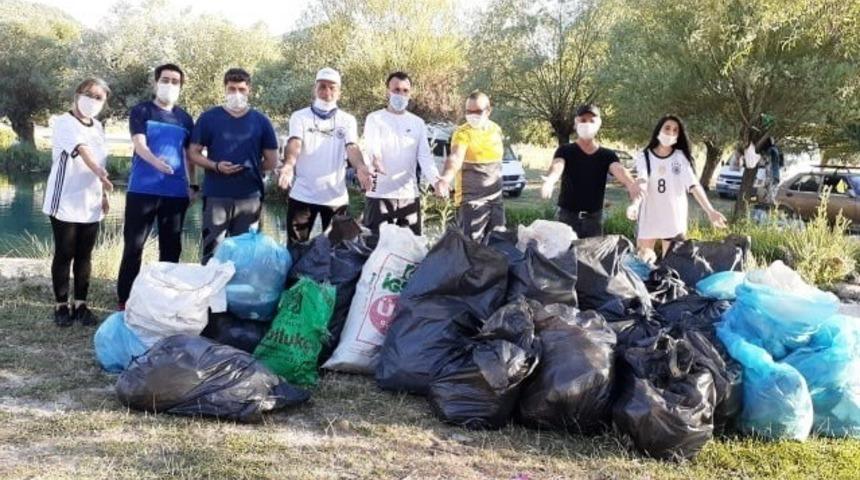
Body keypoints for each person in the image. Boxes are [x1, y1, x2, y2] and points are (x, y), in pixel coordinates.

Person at [116, 63, 196, 309]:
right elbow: (140, 145)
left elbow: (187, 154)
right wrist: (156, 163)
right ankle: (125, 299)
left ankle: (164, 299)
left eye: (175, 81)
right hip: (143, 189)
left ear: (180, 86)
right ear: (155, 82)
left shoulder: (185, 118)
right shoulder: (142, 111)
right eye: (165, 80)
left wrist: (192, 184)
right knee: (134, 246)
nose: (169, 85)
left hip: (175, 194)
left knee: (171, 247)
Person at [42, 77, 113, 327]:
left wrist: (103, 193)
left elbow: (101, 160)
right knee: (65, 252)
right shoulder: (64, 122)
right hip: (65, 199)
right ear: (77, 94)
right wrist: (101, 174)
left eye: (99, 97)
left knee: (85, 254)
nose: (93, 101)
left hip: (90, 200)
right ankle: (61, 305)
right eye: (88, 94)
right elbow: (84, 152)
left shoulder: (98, 126)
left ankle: (81, 304)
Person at [189, 68, 278, 263]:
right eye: (231, 89)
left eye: (241, 89)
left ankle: (239, 294)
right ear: (224, 89)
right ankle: (211, 292)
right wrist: (216, 165)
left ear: (249, 91)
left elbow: (272, 161)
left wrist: (251, 167)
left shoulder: (261, 121)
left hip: (250, 197)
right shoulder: (209, 118)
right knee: (213, 251)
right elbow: (193, 153)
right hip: (216, 195)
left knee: (246, 253)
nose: (236, 94)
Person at [279, 67, 371, 244]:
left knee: (337, 252)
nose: (326, 91)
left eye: (332, 87)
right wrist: (289, 165)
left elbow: (351, 147)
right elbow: (295, 143)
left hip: (335, 199)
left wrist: (360, 166)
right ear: (315, 89)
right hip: (302, 196)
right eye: (322, 86)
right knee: (296, 249)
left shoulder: (347, 120)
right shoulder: (299, 117)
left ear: (339, 92)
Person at [629, 115, 727, 255]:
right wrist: (635, 204)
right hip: (649, 217)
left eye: (675, 130)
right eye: (667, 128)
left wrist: (710, 211)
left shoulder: (680, 158)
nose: (671, 133)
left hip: (673, 220)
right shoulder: (644, 156)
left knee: (673, 265)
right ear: (659, 130)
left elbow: (693, 186)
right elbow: (642, 181)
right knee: (641, 263)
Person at [540, 104, 642, 238]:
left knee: (592, 257)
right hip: (567, 217)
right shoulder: (565, 150)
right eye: (583, 120)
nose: (587, 124)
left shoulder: (607, 155)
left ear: (598, 125)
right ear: (576, 123)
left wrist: (631, 185)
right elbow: (558, 165)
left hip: (594, 220)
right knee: (565, 257)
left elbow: (619, 170)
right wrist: (550, 181)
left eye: (591, 121)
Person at [361, 71, 439, 235]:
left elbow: (424, 156)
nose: (401, 94)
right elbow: (371, 146)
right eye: (396, 90)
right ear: (388, 91)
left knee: (410, 251)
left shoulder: (418, 123)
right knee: (375, 248)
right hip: (378, 195)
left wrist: (436, 181)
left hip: (409, 196)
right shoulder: (375, 119)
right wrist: (375, 159)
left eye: (405, 91)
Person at [435, 91, 505, 243]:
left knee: (499, 243)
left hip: (496, 200)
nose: (473, 115)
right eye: (468, 111)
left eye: (478, 111)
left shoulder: (496, 130)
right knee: (471, 247)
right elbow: (455, 157)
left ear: (488, 111)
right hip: (472, 201)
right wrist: (445, 179)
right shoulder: (462, 133)